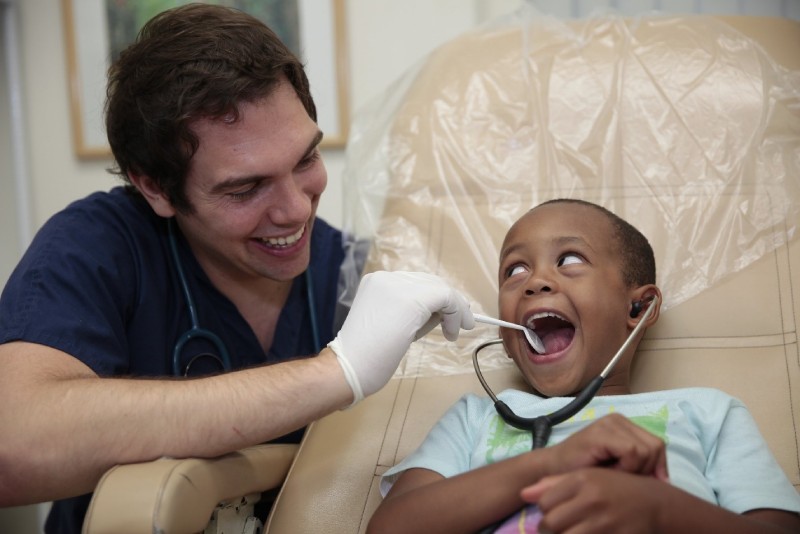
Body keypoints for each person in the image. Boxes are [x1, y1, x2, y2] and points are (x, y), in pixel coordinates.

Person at [0, 4, 473, 533]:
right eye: (245, 188)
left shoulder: (352, 278)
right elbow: (11, 446)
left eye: (306, 161)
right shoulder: (101, 247)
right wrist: (335, 374)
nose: (295, 209)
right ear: (155, 187)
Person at [368, 199, 800, 533]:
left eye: (570, 260)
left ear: (639, 306)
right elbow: (390, 527)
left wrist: (659, 508)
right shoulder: (475, 418)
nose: (535, 281)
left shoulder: (708, 413)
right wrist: (553, 462)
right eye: (514, 270)